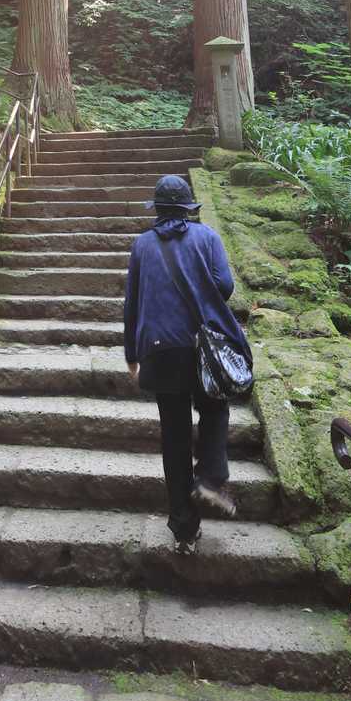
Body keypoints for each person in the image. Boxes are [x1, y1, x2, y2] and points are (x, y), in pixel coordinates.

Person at [123, 173, 245, 556]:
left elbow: (132, 302)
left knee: (174, 437)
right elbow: (225, 286)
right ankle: (209, 477)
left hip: (159, 350)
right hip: (201, 346)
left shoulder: (142, 245)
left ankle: (184, 531)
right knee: (215, 408)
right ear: (189, 208)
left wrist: (131, 355)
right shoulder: (207, 237)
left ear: (158, 209)